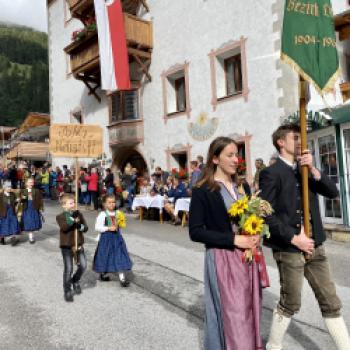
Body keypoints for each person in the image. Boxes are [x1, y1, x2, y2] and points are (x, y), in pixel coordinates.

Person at [259, 124, 350, 350]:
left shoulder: (305, 168)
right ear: (281, 142)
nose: (301, 142)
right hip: (289, 248)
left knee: (331, 301)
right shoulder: (270, 173)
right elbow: (264, 214)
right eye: (295, 138)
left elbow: (333, 193)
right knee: (290, 302)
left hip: (315, 246)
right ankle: (273, 346)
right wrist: (293, 237)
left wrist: (315, 172)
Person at [189, 136, 263, 350]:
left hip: (246, 258)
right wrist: (233, 239)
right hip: (223, 259)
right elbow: (195, 232)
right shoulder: (203, 190)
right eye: (229, 155)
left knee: (249, 310)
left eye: (237, 155)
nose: (235, 160)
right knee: (232, 313)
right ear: (215, 159)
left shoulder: (243, 187)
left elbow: (250, 220)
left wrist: (255, 233)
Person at [93, 194, 132, 287]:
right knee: (105, 256)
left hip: (117, 239)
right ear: (105, 204)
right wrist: (108, 228)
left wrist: (122, 222)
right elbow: (97, 227)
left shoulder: (118, 213)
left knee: (119, 256)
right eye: (109, 202)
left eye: (113, 202)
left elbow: (121, 225)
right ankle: (102, 274)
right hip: (106, 239)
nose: (112, 204)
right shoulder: (102, 214)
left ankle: (122, 279)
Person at [56, 194, 88, 302]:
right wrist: (73, 220)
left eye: (74, 202)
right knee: (68, 268)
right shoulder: (60, 216)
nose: (73, 204)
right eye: (70, 203)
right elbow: (64, 228)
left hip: (78, 244)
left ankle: (75, 280)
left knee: (83, 265)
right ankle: (67, 290)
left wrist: (79, 225)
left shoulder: (78, 214)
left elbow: (85, 228)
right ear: (64, 205)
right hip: (67, 246)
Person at [21, 178, 43, 244]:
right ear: (26, 183)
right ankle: (31, 237)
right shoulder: (24, 191)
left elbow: (39, 200)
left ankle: (31, 236)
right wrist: (21, 200)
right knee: (28, 222)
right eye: (30, 182)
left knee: (33, 222)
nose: (31, 184)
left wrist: (41, 208)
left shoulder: (36, 191)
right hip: (27, 208)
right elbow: (23, 200)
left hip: (34, 208)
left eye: (32, 182)